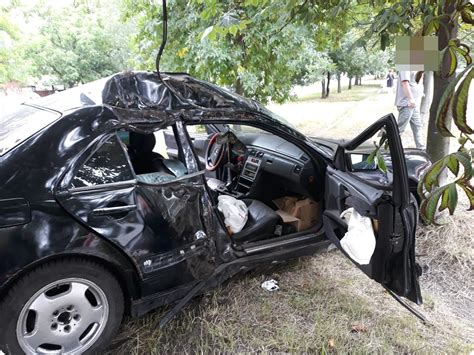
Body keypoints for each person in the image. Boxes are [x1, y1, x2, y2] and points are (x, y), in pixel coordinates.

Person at [395, 70, 425, 150]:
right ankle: (390, 148)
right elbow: (405, 83)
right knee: (400, 128)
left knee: (418, 126)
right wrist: (410, 99)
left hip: (414, 104)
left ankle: (421, 148)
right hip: (407, 103)